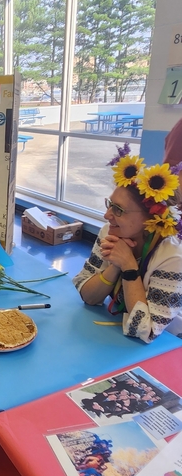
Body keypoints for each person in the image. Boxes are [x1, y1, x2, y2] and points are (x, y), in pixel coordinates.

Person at [73, 144, 182, 342]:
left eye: (118, 210)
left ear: (150, 219)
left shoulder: (172, 257)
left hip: (167, 344)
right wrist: (115, 266)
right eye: (110, 204)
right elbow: (88, 296)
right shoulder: (110, 232)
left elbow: (146, 331)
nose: (107, 215)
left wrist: (129, 267)